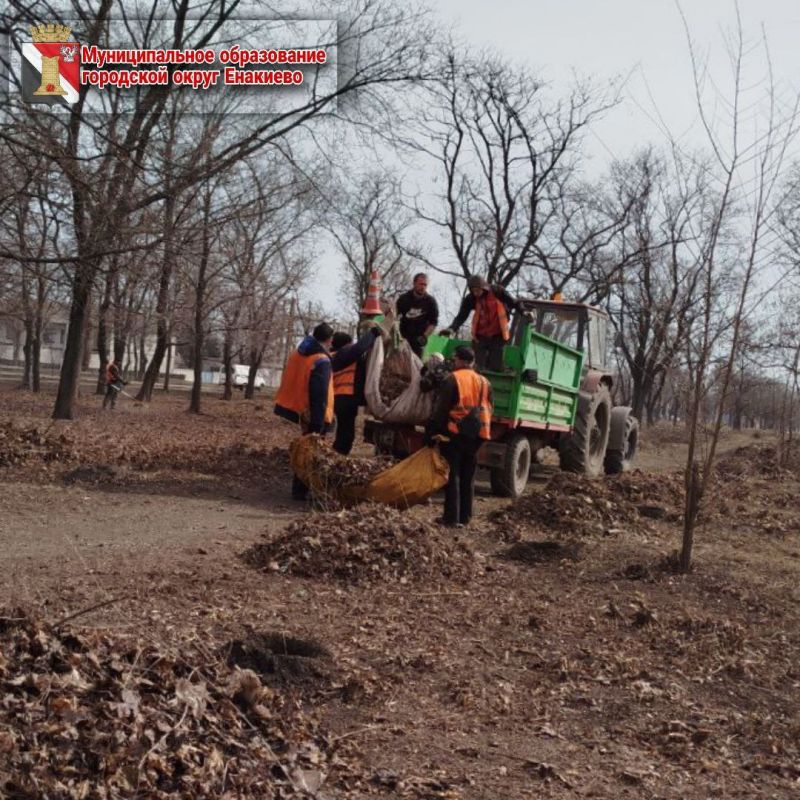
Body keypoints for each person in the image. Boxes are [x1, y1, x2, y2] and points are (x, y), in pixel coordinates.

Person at [425, 345, 493, 528]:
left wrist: (432, 431)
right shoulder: (485, 382)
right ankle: (465, 516)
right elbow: (489, 406)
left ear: (462, 360)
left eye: (454, 359)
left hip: (456, 433)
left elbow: (442, 409)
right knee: (468, 474)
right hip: (479, 434)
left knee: (453, 474)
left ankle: (451, 518)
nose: (453, 363)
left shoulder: (452, 379)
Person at [274, 322, 335, 500]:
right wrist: (318, 421)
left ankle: (299, 490)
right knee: (312, 454)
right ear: (329, 340)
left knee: (305, 451)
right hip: (316, 414)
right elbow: (319, 393)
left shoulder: (300, 353)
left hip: (302, 410)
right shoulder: (321, 360)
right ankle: (306, 491)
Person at [442, 275, 520, 371]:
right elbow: (461, 316)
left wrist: (524, 311)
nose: (476, 293)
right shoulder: (471, 298)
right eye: (473, 291)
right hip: (481, 334)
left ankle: (501, 369)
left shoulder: (498, 292)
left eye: (478, 290)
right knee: (477, 365)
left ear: (484, 288)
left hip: (498, 333)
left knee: (496, 366)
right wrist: (452, 328)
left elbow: (514, 302)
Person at [330, 326, 382, 455]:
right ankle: (337, 458)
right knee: (346, 436)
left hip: (342, 398)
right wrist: (372, 333)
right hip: (344, 397)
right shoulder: (342, 354)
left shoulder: (335, 356)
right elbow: (358, 349)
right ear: (345, 345)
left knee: (344, 433)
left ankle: (336, 456)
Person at [396, 272, 439, 358]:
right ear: (414, 283)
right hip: (403, 338)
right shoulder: (403, 299)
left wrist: (424, 336)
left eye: (425, 285)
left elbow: (433, 323)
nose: (423, 287)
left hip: (419, 340)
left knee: (417, 367)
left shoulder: (431, 302)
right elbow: (394, 316)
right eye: (420, 284)